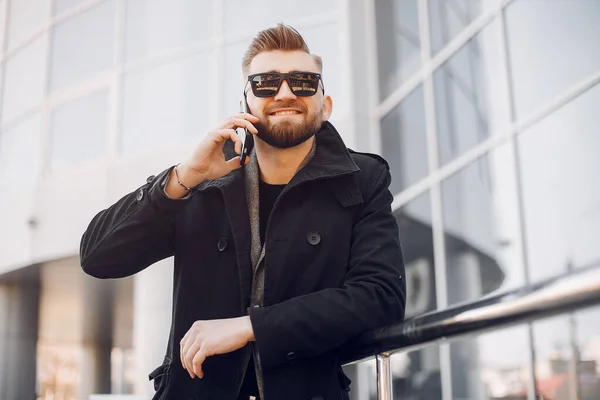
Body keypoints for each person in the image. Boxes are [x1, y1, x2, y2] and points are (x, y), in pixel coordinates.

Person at [80, 23, 406, 400]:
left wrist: (251, 327)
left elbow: (381, 297)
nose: (285, 92)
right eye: (266, 83)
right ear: (244, 105)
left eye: (302, 81)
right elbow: (97, 257)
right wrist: (183, 177)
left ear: (325, 103)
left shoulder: (362, 180)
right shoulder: (200, 181)